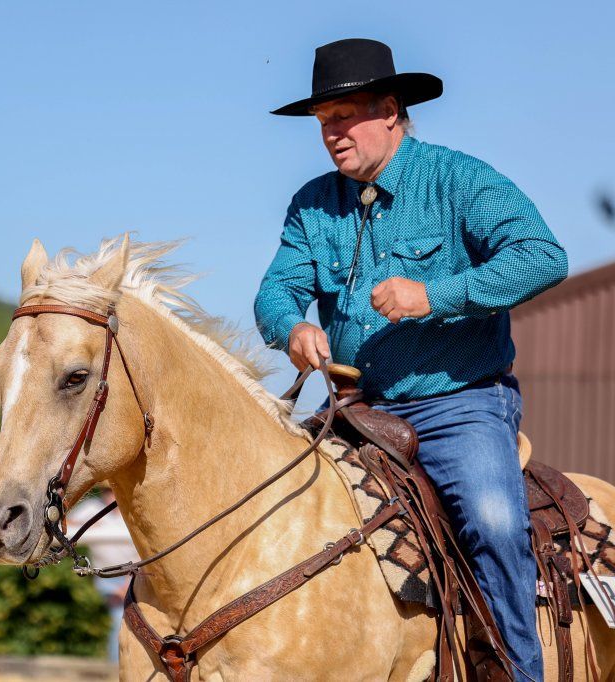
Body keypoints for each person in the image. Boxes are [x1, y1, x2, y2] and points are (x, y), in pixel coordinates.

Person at [254, 38, 567, 681]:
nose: (332, 135)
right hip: (355, 409)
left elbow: (543, 256)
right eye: (322, 124)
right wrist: (291, 327)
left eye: (344, 117)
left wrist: (435, 294)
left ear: (391, 110)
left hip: (461, 404)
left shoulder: (460, 179)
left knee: (493, 522)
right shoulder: (313, 204)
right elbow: (276, 289)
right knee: (271, 507)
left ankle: (519, 673)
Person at [67, 486, 138, 662]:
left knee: (124, 621)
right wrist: (88, 526)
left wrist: (129, 583)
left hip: (134, 575)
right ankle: (117, 667)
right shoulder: (93, 508)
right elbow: (64, 525)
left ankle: (121, 665)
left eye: (113, 490)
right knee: (119, 621)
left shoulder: (131, 509)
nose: (110, 495)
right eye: (107, 491)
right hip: (106, 577)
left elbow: (142, 550)